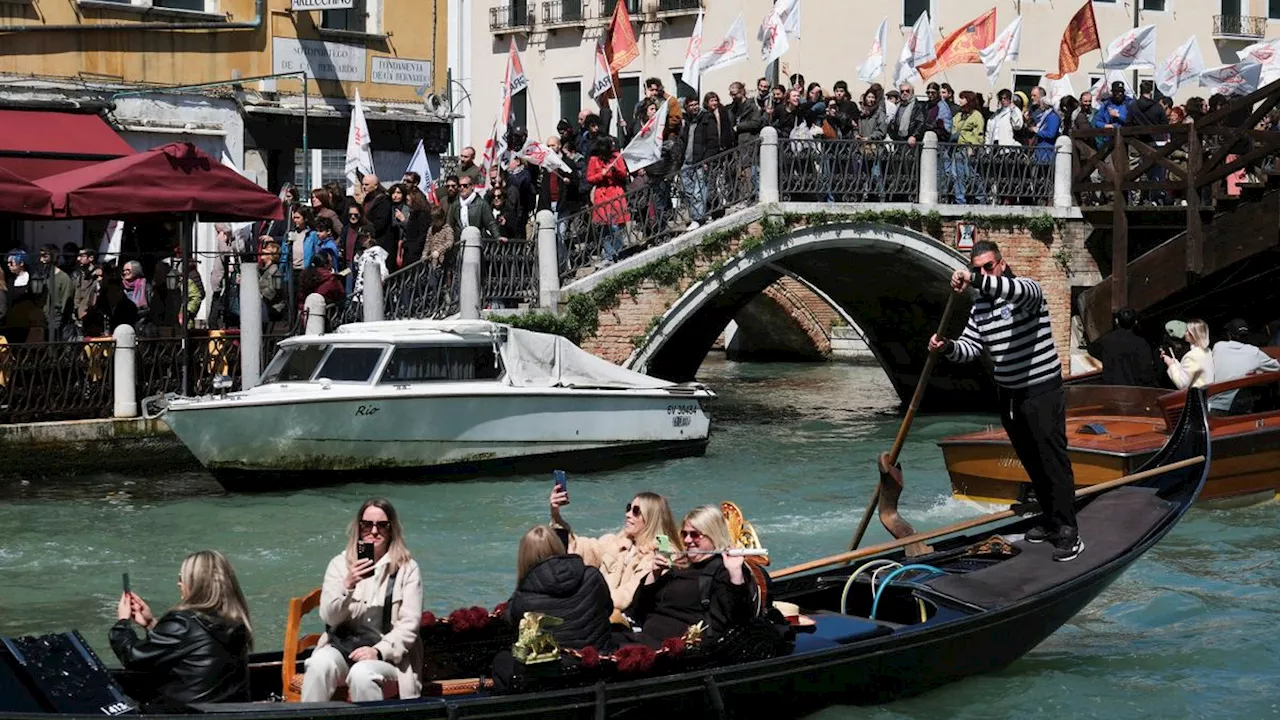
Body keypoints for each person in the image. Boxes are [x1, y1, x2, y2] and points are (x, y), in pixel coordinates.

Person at [929, 240, 1084, 562]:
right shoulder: (980, 308)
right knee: (1030, 459)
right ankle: (1048, 518)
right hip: (1010, 395)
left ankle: (1068, 528)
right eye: (978, 268)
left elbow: (1019, 292)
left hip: (1041, 389)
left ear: (1000, 264)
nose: (984, 272)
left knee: (1052, 458)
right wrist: (946, 347)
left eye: (988, 266)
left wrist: (974, 279)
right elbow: (971, 348)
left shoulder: (1026, 290)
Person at [301, 498, 423, 702]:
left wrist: (377, 651)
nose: (374, 531)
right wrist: (347, 585)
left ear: (392, 529)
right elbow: (330, 618)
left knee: (362, 674)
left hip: (387, 657)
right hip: (343, 648)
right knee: (318, 664)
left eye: (382, 525)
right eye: (367, 525)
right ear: (359, 527)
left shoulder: (407, 569)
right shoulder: (339, 564)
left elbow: (409, 626)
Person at [109, 550, 253, 706]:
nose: (179, 583)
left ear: (196, 583)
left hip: (186, 712)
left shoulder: (183, 622)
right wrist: (151, 623)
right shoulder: (236, 620)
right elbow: (194, 646)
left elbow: (133, 657)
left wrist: (122, 622)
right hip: (225, 709)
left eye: (181, 577)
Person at [624, 506, 754, 648]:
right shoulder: (678, 566)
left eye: (695, 535)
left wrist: (736, 574)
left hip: (677, 648)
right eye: (684, 534)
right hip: (644, 636)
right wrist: (653, 574)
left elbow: (740, 620)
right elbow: (637, 611)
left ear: (713, 535)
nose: (687, 540)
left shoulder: (723, 569)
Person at [549, 485, 680, 617]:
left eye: (635, 511)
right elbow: (578, 547)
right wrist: (556, 513)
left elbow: (627, 596)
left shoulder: (660, 555)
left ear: (651, 519)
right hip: (598, 607)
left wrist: (585, 594)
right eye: (629, 508)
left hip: (625, 620)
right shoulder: (616, 542)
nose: (627, 514)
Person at [503, 526, 616, 652]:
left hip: (556, 667)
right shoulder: (592, 576)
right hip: (601, 659)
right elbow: (608, 609)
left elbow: (511, 624)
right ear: (559, 546)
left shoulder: (522, 598)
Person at [1210, 318, 1280, 414]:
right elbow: (1276, 367)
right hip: (1239, 408)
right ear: (1247, 335)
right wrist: (1259, 371)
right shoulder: (1254, 352)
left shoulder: (1218, 347)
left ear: (1229, 335)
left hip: (1214, 407)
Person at [1090, 308, 1156, 387]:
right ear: (1135, 322)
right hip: (1134, 392)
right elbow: (1146, 374)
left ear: (1117, 321)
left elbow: (1092, 350)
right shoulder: (1141, 343)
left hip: (1110, 391)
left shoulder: (1106, 341)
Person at [1162, 319, 1214, 390]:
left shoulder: (1192, 356)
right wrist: (1175, 363)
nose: (1185, 333)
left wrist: (1170, 365)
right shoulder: (1207, 350)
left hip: (1197, 398)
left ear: (1193, 334)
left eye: (1187, 331)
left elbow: (1181, 384)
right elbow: (1188, 372)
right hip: (1208, 393)